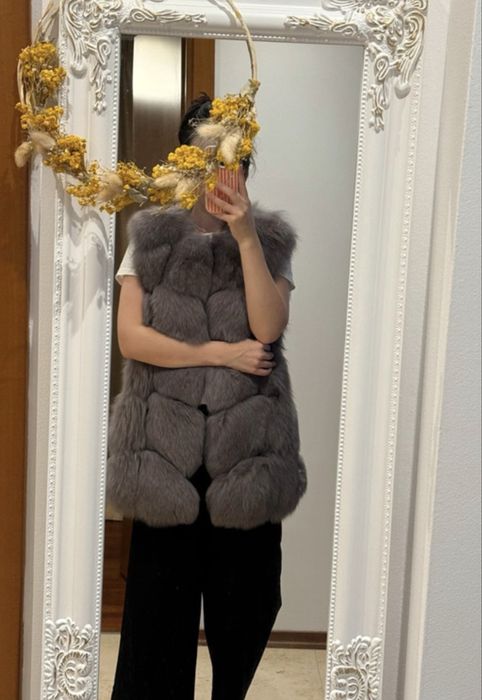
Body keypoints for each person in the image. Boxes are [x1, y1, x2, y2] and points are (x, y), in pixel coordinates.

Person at [108, 93, 306, 699]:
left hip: (246, 457)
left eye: (231, 159)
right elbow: (132, 338)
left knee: (247, 609)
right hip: (164, 459)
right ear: (184, 160)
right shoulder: (152, 237)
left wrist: (245, 236)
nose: (220, 171)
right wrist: (220, 354)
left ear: (244, 165)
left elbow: (268, 327)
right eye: (206, 156)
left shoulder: (271, 240)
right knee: (155, 626)